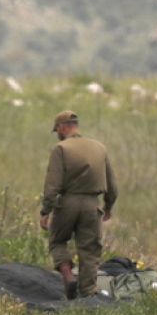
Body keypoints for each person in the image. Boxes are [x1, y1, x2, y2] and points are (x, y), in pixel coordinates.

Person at [39, 110, 118, 299]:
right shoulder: (99, 148)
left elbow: (52, 184)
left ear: (61, 127)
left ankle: (68, 276)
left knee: (58, 241)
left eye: (57, 130)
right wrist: (108, 206)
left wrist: (46, 210)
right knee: (90, 249)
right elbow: (112, 184)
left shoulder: (60, 148)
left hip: (67, 203)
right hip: (92, 205)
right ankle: (89, 294)